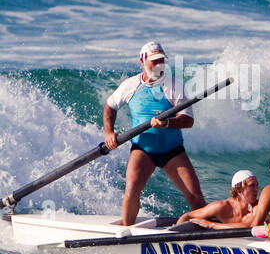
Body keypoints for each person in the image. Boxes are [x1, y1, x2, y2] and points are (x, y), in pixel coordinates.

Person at [103, 41, 205, 226]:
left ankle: (207, 236)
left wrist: (166, 122)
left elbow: (188, 120)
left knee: (196, 198)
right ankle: (126, 233)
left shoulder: (173, 85)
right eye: (153, 61)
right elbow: (110, 107)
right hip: (142, 150)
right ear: (142, 61)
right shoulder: (130, 85)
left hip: (172, 151)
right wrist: (109, 132)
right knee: (131, 191)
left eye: (161, 60)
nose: (158, 65)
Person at [177, 170, 260, 228]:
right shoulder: (222, 207)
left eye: (257, 185)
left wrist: (211, 225)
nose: (256, 189)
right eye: (252, 185)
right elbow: (187, 216)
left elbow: (247, 226)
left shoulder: (258, 207)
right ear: (238, 189)